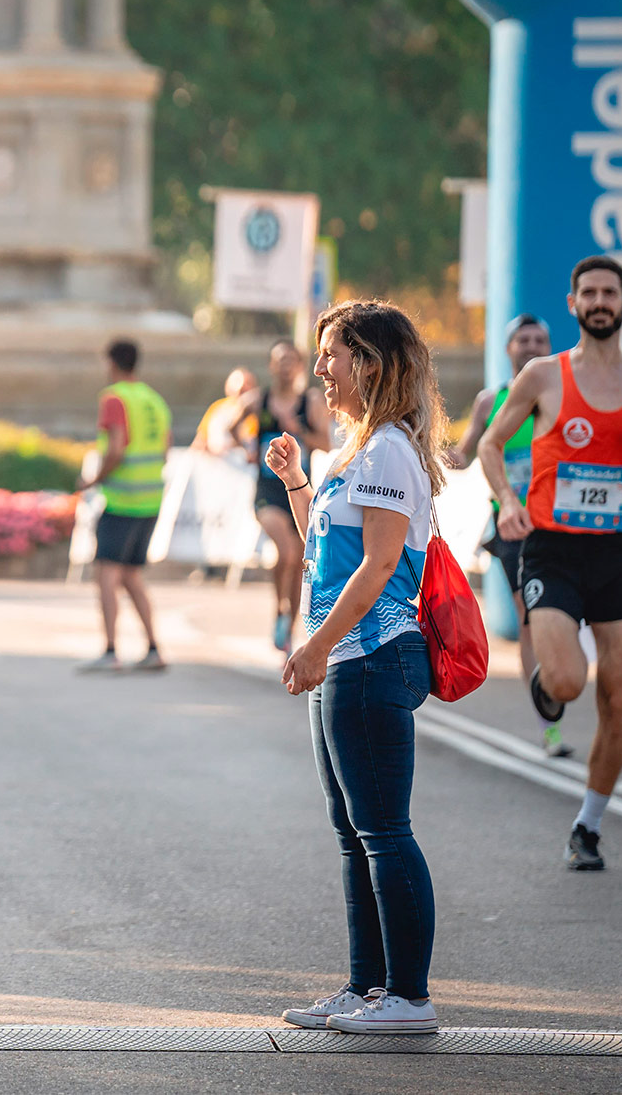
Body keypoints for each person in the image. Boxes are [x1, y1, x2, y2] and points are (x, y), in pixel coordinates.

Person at [267, 300, 444, 1036]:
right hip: (348, 656)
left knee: (384, 832)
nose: (319, 370)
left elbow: (376, 568)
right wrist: (299, 484)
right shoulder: (356, 451)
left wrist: (312, 646)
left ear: (369, 362)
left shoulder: (388, 452)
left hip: (371, 657)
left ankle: (408, 996)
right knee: (354, 830)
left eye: (332, 354)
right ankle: (366, 986)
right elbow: (326, 555)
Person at [479, 256, 622, 873]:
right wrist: (507, 501)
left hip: (618, 551)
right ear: (573, 304)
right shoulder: (542, 376)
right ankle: (548, 684)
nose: (598, 301)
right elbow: (488, 441)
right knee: (566, 684)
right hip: (553, 547)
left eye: (608, 293)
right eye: (587, 292)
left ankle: (588, 826)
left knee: (618, 699)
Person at [448, 314, 566, 757]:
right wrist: (429, 446)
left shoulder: (563, 394)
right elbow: (464, 456)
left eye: (541, 338)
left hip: (563, 522)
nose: (532, 345)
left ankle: (559, 682)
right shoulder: (490, 401)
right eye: (523, 339)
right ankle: (548, 726)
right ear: (508, 348)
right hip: (514, 524)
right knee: (530, 617)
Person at [79, 339, 171, 673]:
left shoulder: (115, 398)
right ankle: (153, 647)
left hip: (122, 500)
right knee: (131, 575)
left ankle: (110, 650)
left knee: (106, 573)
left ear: (112, 363)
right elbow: (165, 448)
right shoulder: (154, 400)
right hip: (150, 499)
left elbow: (115, 448)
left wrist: (93, 479)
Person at [238, 341, 334, 652]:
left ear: (299, 365)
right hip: (267, 491)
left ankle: (287, 622)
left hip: (301, 491)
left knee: (297, 560)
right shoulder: (258, 400)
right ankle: (280, 610)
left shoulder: (311, 401)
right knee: (289, 551)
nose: (284, 366)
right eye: (279, 360)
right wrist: (248, 447)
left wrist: (300, 433)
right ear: (271, 365)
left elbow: (326, 443)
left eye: (291, 360)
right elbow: (229, 427)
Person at [192, 367, 258, 455]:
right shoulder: (217, 408)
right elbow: (201, 439)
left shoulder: (255, 412)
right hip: (215, 462)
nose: (241, 386)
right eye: (237, 382)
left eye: (247, 384)